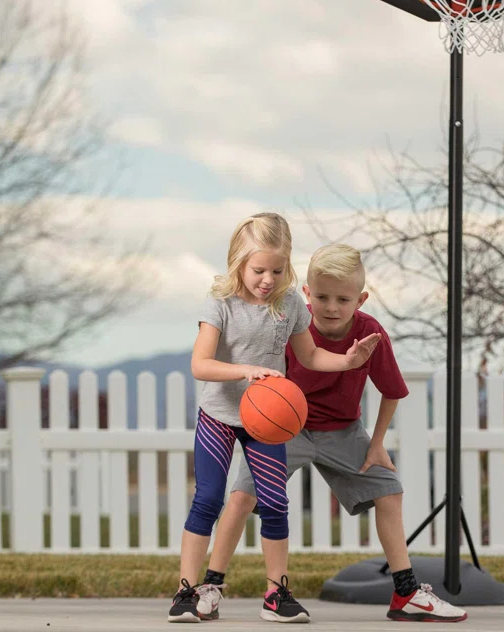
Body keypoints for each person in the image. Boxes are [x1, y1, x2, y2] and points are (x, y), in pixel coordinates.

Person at [197, 243, 468, 623]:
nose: (331, 307)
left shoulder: (370, 332)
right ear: (307, 293)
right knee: (241, 497)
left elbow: (392, 391)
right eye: (322, 296)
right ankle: (210, 586)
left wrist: (375, 445)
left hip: (343, 431)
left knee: (390, 491)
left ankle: (406, 593)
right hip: (288, 429)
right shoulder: (292, 322)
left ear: (361, 298)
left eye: (343, 299)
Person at [168, 216, 381, 624]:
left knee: (275, 504)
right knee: (209, 499)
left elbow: (310, 356)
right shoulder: (219, 304)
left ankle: (276, 594)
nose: (268, 279)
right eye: (259, 270)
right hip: (219, 417)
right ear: (239, 264)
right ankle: (186, 593)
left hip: (264, 422)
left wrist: (348, 360)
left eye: (278, 270)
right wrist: (246, 370)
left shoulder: (289, 305)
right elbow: (200, 364)